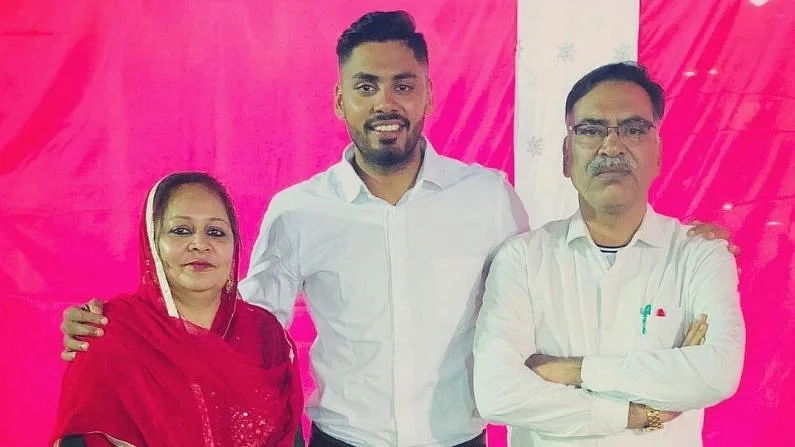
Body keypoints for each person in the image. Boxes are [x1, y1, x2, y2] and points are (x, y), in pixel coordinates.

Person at [59, 13, 735, 447]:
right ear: (340, 99)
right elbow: (238, 324)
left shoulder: (486, 197)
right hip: (339, 439)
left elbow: (557, 271)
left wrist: (675, 239)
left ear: (427, 95)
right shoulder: (299, 209)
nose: (386, 100)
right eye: (366, 85)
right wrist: (125, 330)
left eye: (403, 84)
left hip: (459, 440)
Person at [472, 62, 745, 446]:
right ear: (567, 156)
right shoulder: (522, 258)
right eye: (591, 130)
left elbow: (717, 373)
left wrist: (574, 371)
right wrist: (633, 414)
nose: (612, 146)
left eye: (633, 129)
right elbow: (497, 392)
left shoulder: (699, 254)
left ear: (658, 152)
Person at [52, 172, 303, 447]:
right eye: (180, 230)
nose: (199, 244)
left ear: (234, 246)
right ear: (152, 242)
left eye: (216, 232)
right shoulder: (112, 334)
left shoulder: (265, 336)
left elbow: (291, 436)